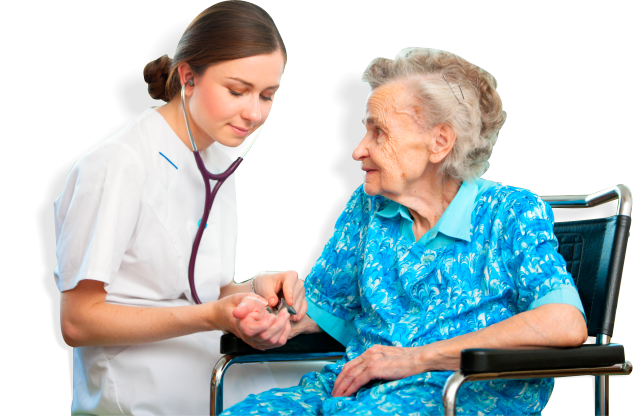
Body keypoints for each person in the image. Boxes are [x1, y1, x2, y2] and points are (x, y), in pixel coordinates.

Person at [221, 47, 588, 416]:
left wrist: (417, 359)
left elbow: (563, 322)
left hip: (459, 395)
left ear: (439, 142)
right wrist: (278, 318)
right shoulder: (368, 207)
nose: (358, 150)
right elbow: (324, 308)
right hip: (353, 389)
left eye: (378, 132)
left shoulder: (509, 213)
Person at [54, 1, 330, 415]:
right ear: (188, 77)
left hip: (204, 356)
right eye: (237, 91)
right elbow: (78, 322)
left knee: (332, 382)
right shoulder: (119, 164)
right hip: (134, 379)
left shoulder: (217, 165)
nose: (254, 113)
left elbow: (203, 290)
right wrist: (214, 316)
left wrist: (254, 289)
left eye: (267, 96)